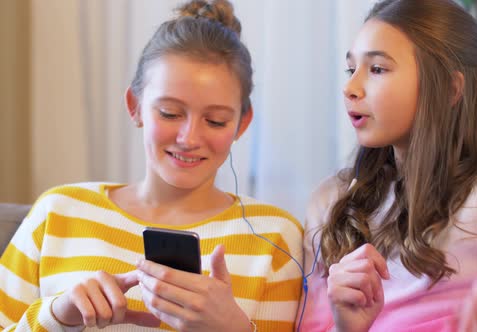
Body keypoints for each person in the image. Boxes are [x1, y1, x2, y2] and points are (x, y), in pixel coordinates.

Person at [0, 1, 303, 331]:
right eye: (170, 113)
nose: (189, 138)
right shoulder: (59, 212)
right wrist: (58, 314)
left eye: (215, 121)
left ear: (242, 124)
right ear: (135, 106)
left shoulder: (275, 238)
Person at [298, 0, 477, 331]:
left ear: (449, 88)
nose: (350, 88)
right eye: (351, 69)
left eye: (378, 69)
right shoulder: (330, 201)